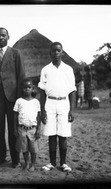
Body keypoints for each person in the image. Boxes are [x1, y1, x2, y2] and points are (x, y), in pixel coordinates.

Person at [0, 27, 25, 168]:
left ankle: (15, 160)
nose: (0, 38)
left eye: (3, 35)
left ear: (8, 37)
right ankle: (0, 158)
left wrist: (20, 99)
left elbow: (21, 76)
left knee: (14, 128)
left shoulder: (16, 53)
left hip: (13, 97)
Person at [38, 42, 76, 172]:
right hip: (50, 103)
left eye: (58, 50)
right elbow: (42, 91)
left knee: (63, 134)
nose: (56, 53)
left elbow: (72, 91)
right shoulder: (45, 69)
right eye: (53, 50)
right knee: (51, 134)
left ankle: (64, 163)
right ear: (50, 52)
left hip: (64, 103)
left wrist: (72, 110)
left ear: (62, 52)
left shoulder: (68, 69)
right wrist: (42, 110)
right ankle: (52, 162)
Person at [14, 78, 41, 172]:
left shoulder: (36, 102)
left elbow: (38, 116)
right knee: (24, 148)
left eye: (29, 87)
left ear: (33, 88)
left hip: (32, 129)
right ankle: (26, 163)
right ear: (22, 88)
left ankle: (33, 164)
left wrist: (38, 129)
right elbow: (15, 115)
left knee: (33, 149)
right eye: (25, 87)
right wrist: (15, 128)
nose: (27, 89)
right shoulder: (19, 101)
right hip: (22, 129)